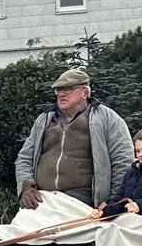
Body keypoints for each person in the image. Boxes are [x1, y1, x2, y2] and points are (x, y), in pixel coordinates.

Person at [14, 67, 133, 210]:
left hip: (84, 202)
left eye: (68, 89)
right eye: (58, 90)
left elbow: (123, 161)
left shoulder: (107, 118)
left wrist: (114, 201)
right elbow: (24, 158)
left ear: (85, 93)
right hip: (43, 200)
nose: (61, 94)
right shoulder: (44, 120)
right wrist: (26, 187)